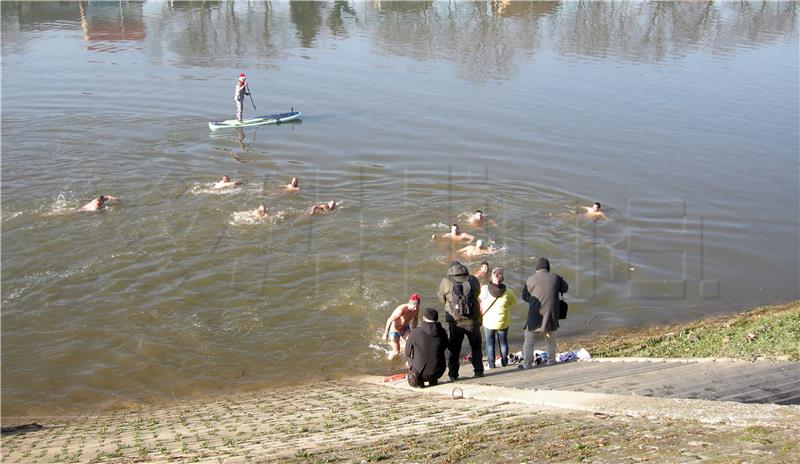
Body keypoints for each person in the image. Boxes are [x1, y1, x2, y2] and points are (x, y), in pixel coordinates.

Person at [437, 261, 483, 381]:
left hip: (455, 322)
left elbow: (441, 298)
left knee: (454, 349)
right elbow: (478, 293)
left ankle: (453, 375)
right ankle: (478, 371)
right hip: (472, 320)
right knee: (476, 347)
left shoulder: (445, 282)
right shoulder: (473, 280)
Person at [520, 258, 568, 369]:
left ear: (537, 269)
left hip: (534, 316)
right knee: (551, 341)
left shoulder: (530, 279)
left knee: (529, 342)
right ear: (548, 268)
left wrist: (533, 301)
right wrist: (560, 279)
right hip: (551, 317)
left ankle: (527, 364)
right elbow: (565, 288)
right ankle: (551, 361)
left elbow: (524, 296)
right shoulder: (555, 278)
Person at [479, 267, 517, 369]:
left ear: (492, 277)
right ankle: (504, 362)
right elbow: (514, 302)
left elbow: (479, 298)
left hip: (488, 323)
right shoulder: (508, 292)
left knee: (490, 344)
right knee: (503, 343)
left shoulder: (484, 289)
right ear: (503, 278)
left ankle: (492, 365)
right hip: (502, 323)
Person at [405, 308, 448, 388]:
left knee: (409, 357)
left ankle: (420, 382)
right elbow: (446, 346)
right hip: (439, 371)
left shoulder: (415, 332)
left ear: (424, 318)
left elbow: (407, 352)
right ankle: (433, 380)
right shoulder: (442, 332)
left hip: (420, 373)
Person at [382, 294, 420, 360]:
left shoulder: (416, 309)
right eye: (414, 306)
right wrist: (385, 334)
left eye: (417, 306)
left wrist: (414, 332)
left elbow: (415, 320)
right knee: (396, 352)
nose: (415, 309)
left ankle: (410, 363)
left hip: (405, 329)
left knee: (412, 344)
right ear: (409, 304)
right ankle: (388, 363)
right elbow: (389, 320)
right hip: (395, 330)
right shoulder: (401, 309)